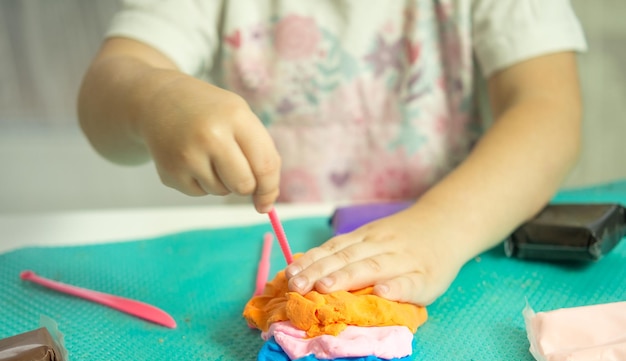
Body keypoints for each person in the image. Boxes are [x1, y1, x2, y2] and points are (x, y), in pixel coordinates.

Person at [78, 0, 587, 306]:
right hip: (257, 256)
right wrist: (154, 98)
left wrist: (440, 229)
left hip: (460, 242)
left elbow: (549, 112)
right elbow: (104, 93)